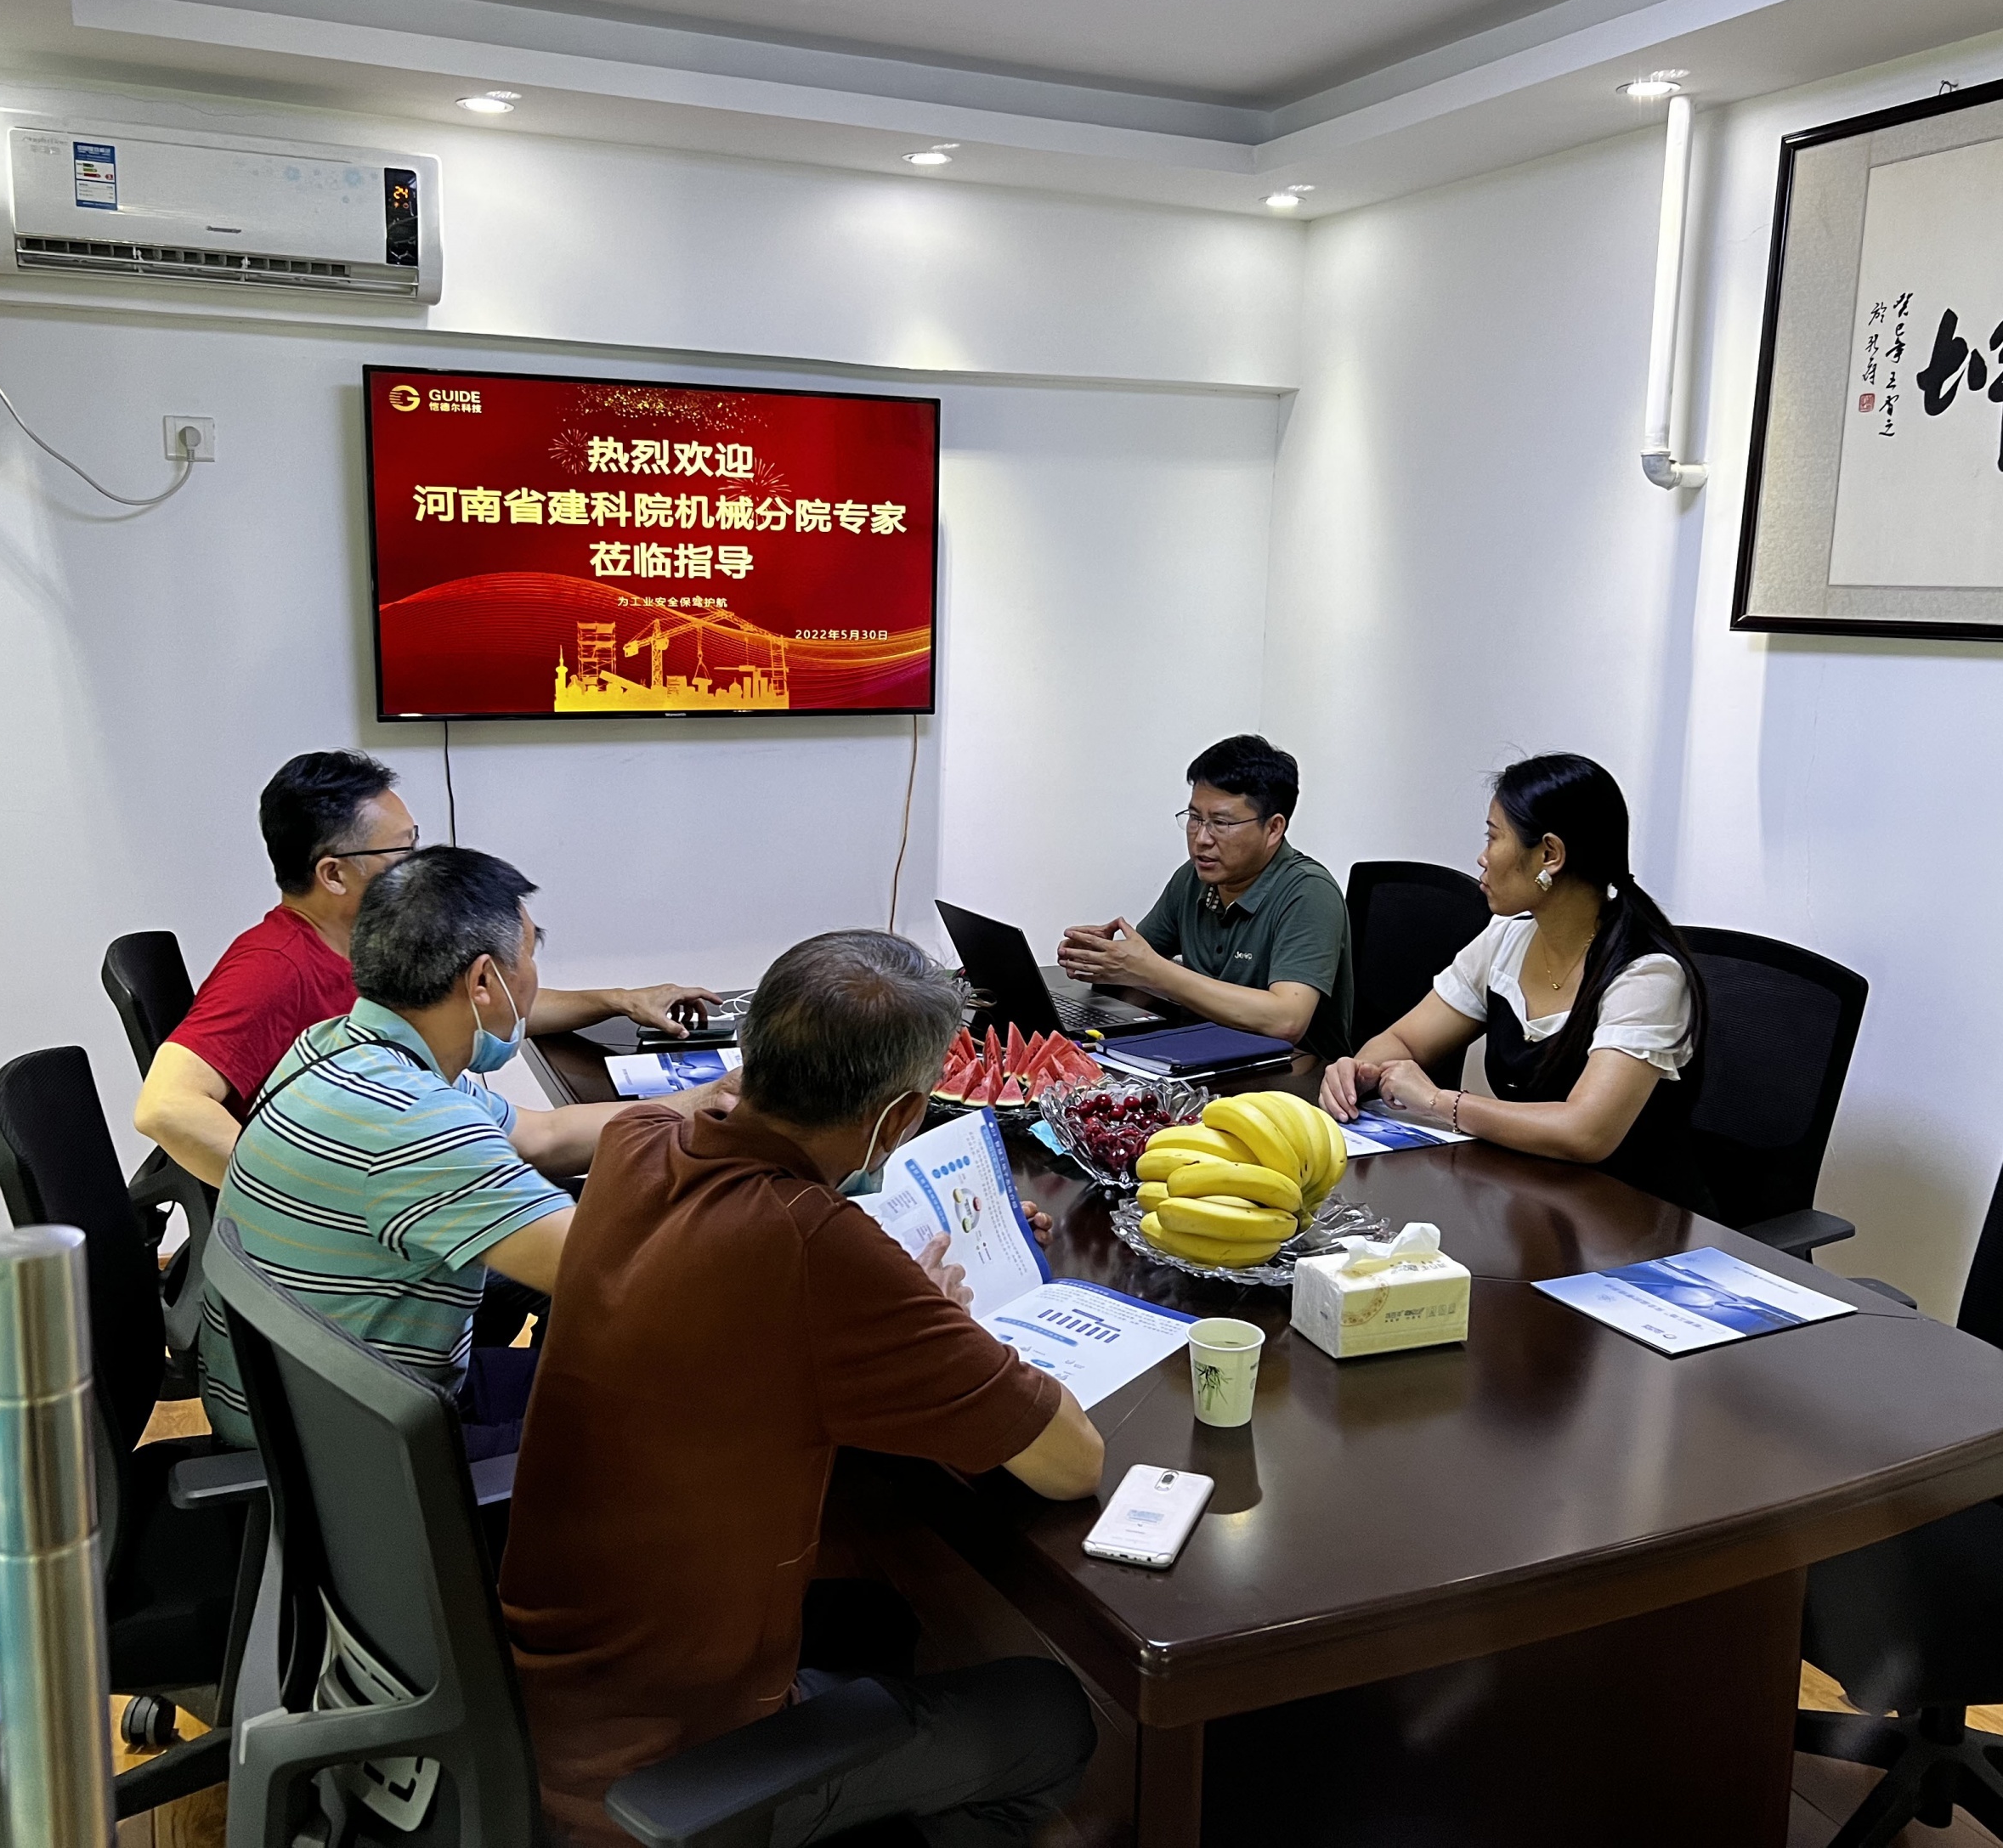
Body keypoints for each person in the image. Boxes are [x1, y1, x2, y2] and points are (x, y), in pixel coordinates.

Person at [501, 930, 1106, 1845]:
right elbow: (1071, 1461)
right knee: (1049, 1714)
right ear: (901, 1118)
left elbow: (771, 1256)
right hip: (664, 1764)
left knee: (875, 1617)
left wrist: (887, 1299)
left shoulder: (636, 1142)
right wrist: (940, 1322)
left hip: (547, 1688)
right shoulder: (816, 1251)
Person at [198, 847, 727, 1455]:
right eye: (529, 956)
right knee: (691, 1405)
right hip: (356, 1451)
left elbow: (545, 1136)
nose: (532, 980)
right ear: (482, 982)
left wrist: (703, 1102)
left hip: (304, 1397)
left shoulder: (339, 1048)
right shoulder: (414, 1123)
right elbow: (614, 1274)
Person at [135, 749, 718, 1189]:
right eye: (402, 851)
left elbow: (486, 1012)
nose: (418, 867)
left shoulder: (370, 950)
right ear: (334, 874)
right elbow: (166, 1105)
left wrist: (618, 1000)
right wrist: (305, 1200)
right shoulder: (273, 968)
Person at [1319, 753, 1712, 1212]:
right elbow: (1404, 1041)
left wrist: (1437, 1101)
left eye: (1493, 837)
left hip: (1630, 1217)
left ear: (1550, 855)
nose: (1482, 858)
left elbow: (1585, 1132)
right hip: (1535, 1198)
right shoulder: (1506, 938)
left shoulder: (1647, 975)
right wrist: (1358, 1072)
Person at [1057, 732, 1355, 1059]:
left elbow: (1286, 1020)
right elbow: (1139, 972)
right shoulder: (1193, 878)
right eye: (1195, 818)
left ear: (1273, 829)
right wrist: (1102, 961)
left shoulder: (1309, 892)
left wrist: (1154, 972)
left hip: (1292, 1075)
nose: (1201, 839)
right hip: (1202, 1056)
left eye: (1220, 823)